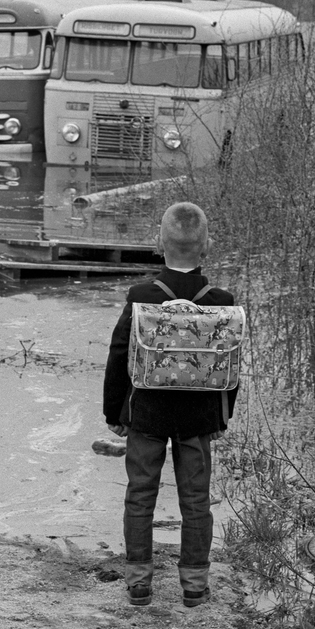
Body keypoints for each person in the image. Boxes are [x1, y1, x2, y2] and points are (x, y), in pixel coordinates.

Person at [102, 202, 237, 608]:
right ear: (206, 245)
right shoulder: (220, 299)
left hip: (147, 413)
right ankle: (194, 585)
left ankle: (139, 582)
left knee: (140, 493)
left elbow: (118, 354)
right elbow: (230, 363)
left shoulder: (142, 296)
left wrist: (114, 412)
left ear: (159, 244)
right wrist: (222, 416)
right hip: (197, 418)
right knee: (195, 500)